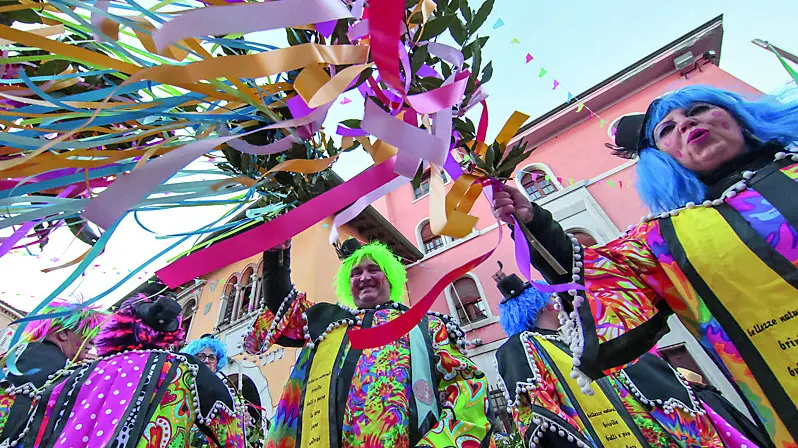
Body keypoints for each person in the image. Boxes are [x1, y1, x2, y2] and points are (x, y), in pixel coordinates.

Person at [490, 85, 798, 447]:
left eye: (697, 109)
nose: (685, 124)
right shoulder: (664, 237)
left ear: (738, 116)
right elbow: (593, 273)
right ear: (660, 158)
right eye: (666, 128)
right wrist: (532, 222)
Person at [244, 238, 494, 448]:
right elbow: (282, 304)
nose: (364, 277)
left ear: (390, 277)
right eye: (356, 273)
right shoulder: (329, 323)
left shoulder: (428, 325)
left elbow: (467, 391)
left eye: (373, 270)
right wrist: (276, 248)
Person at [492, 266, 740, 448]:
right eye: (553, 298)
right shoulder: (523, 345)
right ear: (547, 305)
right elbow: (538, 415)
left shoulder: (576, 338)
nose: (560, 303)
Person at [0, 295, 246, 447]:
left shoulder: (82, 374)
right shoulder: (185, 369)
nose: (90, 343)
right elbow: (231, 436)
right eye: (86, 336)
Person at [0, 300, 108, 441]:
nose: (92, 342)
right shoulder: (67, 372)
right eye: (86, 334)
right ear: (63, 333)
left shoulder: (12, 356)